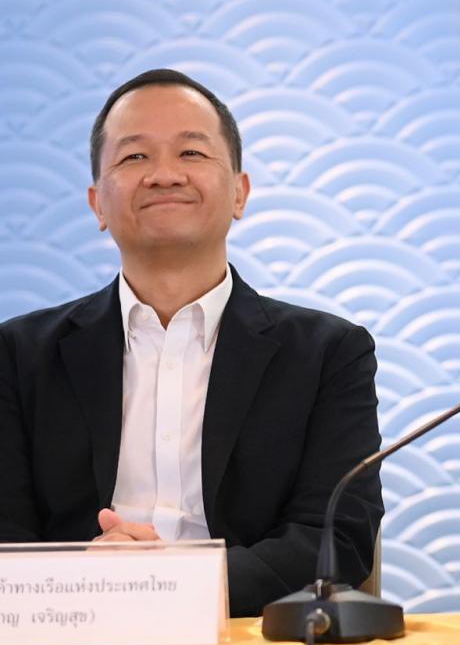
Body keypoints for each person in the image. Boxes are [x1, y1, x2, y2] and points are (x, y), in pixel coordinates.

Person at [0, 69, 383, 617]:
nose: (163, 175)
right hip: (66, 643)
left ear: (239, 193)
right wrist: (85, 586)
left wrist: (173, 582)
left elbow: (335, 536)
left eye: (192, 153)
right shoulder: (18, 356)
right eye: (134, 158)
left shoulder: (328, 353)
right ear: (97, 205)